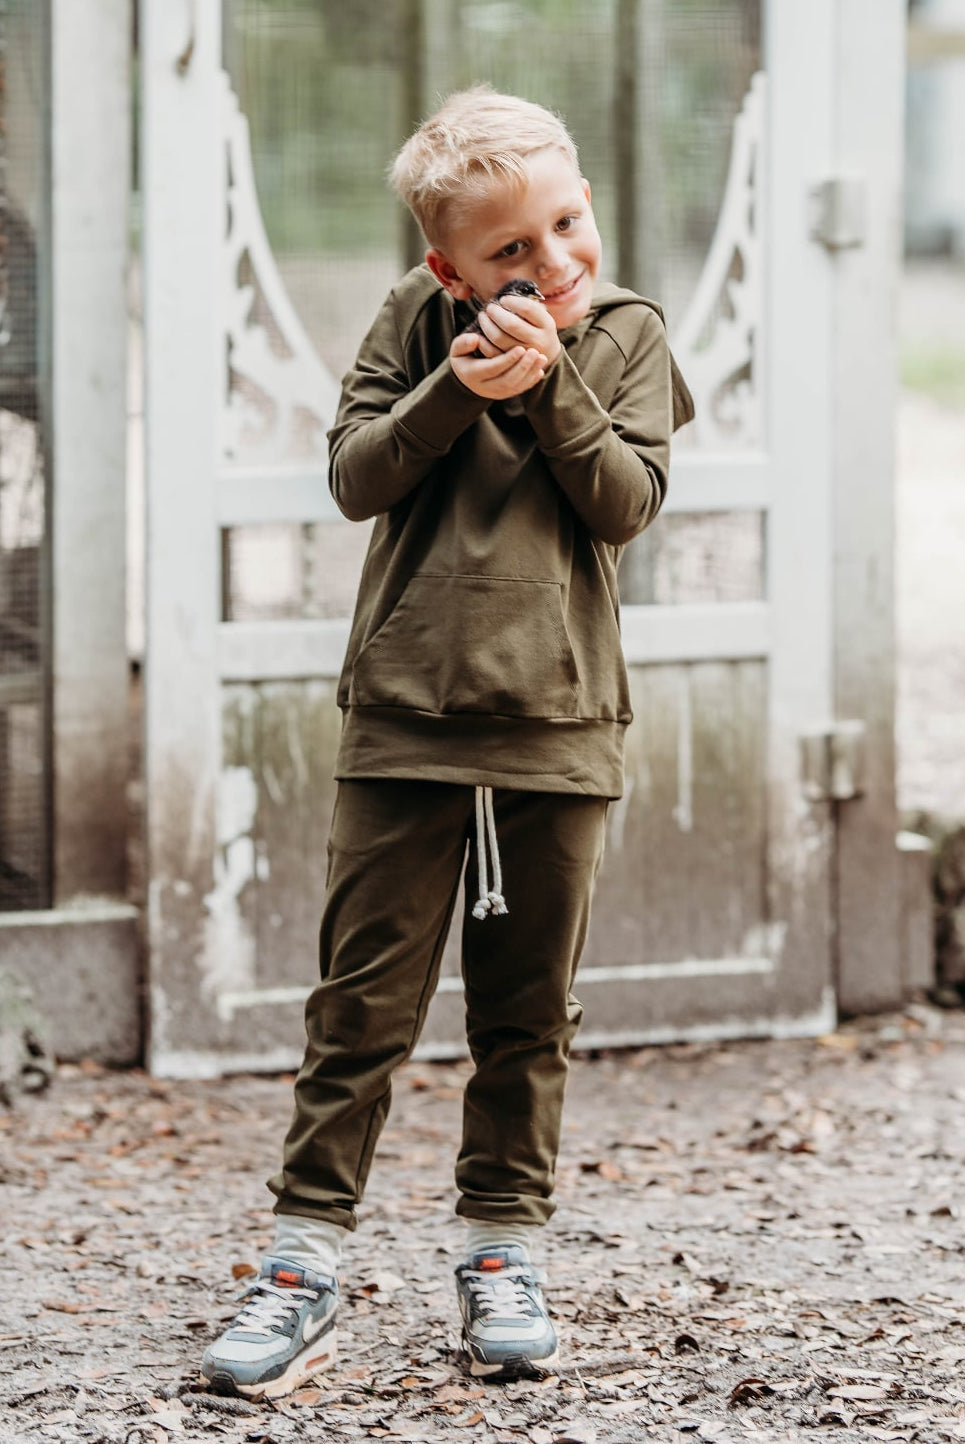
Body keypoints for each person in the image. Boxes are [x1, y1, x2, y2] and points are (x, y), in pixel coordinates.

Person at [201, 84, 692, 1401]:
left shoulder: (629, 334)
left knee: (527, 1014)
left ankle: (501, 1252)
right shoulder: (410, 323)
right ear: (449, 267)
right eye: (512, 249)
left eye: (568, 223)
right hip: (404, 719)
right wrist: (453, 391)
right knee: (358, 1008)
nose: (554, 260)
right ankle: (303, 1262)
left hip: (559, 726)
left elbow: (626, 502)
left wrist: (550, 389)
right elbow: (356, 474)